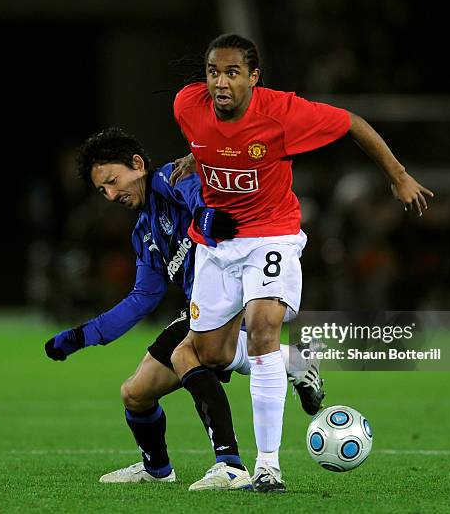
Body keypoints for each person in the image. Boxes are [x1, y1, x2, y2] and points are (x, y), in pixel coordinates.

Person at [171, 33, 434, 492]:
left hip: (271, 237)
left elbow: (352, 122)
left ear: (254, 77)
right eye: (214, 72)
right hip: (217, 246)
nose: (221, 82)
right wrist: (196, 157)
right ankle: (295, 364)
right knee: (210, 354)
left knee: (262, 329)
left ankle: (267, 466)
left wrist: (399, 175)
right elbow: (213, 140)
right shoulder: (186, 105)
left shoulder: (283, 114)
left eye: (233, 72)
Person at [44, 127, 324, 490]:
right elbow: (142, 298)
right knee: (135, 393)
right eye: (102, 190)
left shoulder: (170, 179)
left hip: (237, 290)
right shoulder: (144, 232)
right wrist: (82, 336)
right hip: (200, 309)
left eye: (113, 181)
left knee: (186, 354)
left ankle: (230, 465)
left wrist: (205, 217)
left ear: (137, 164)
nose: (111, 194)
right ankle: (157, 468)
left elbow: (202, 198)